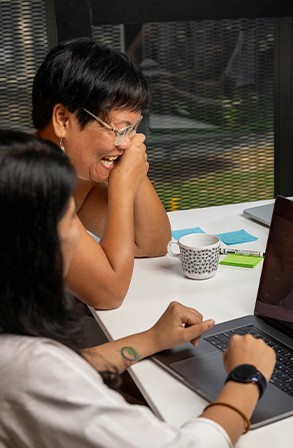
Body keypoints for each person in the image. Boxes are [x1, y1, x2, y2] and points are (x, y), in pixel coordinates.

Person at [0, 130, 276, 447]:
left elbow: (62, 372)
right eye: (67, 220)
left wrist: (151, 339)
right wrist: (247, 377)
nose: (76, 237)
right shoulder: (29, 370)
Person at [33, 38, 171, 310]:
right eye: (119, 129)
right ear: (63, 120)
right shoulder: (32, 187)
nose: (127, 143)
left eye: (133, 128)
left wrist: (130, 160)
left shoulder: (74, 173)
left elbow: (152, 243)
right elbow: (109, 294)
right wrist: (122, 189)